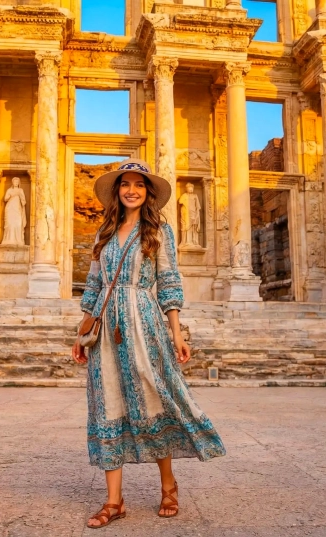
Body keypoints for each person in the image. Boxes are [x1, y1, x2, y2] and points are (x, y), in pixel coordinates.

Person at [72, 158, 226, 529]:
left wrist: (177, 334)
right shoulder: (103, 234)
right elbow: (94, 286)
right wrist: (81, 332)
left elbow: (170, 282)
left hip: (145, 320)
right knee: (107, 401)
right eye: (125, 185)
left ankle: (168, 486)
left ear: (148, 192)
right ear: (116, 191)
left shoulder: (159, 231)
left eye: (138, 185)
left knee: (154, 396)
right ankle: (113, 501)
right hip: (106, 328)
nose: (131, 190)